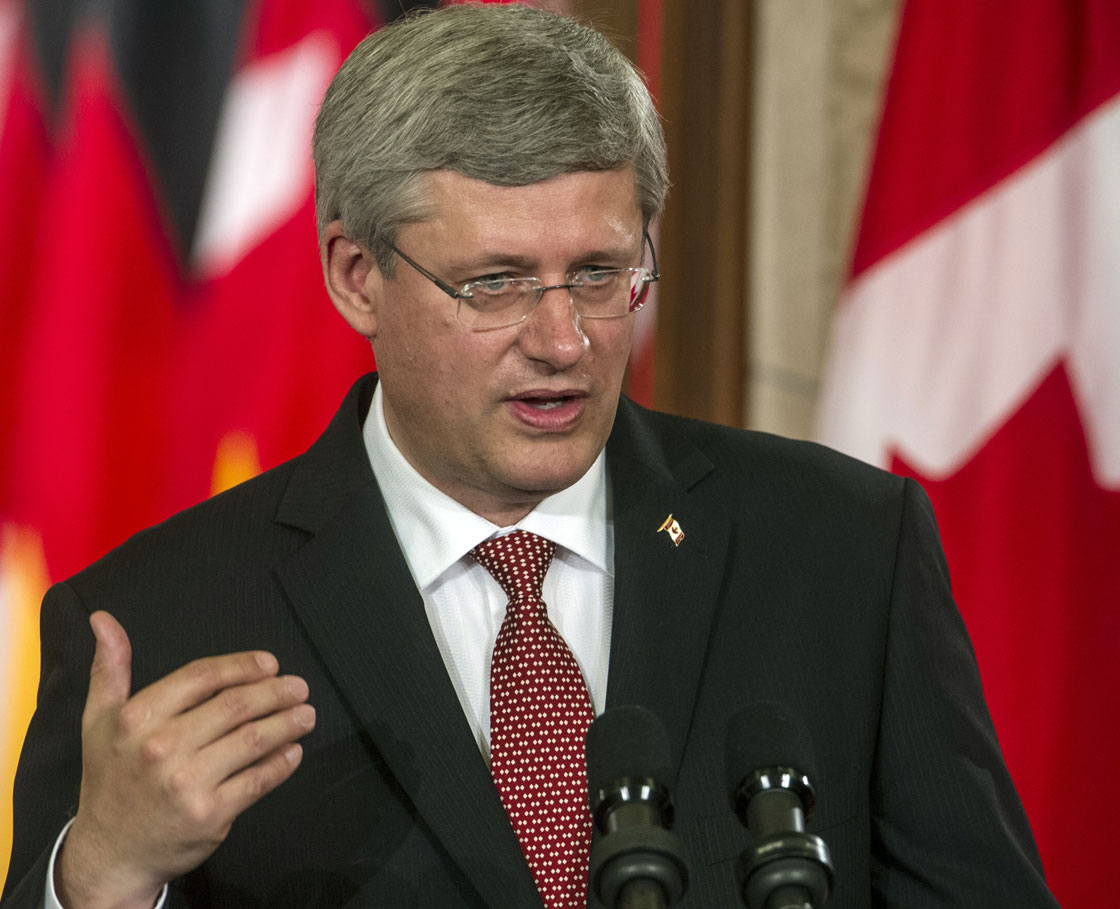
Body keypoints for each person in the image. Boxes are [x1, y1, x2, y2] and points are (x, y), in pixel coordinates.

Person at [3, 4, 1058, 907]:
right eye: (495, 283)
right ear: (356, 276)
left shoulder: (839, 549)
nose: (564, 343)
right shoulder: (159, 620)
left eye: (599, 274)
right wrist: (102, 871)